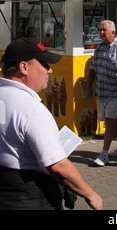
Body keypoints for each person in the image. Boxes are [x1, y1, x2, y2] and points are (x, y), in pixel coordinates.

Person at [0, 37, 103, 210]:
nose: (50, 70)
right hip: (32, 195)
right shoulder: (31, 109)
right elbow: (58, 166)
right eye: (44, 64)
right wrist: (90, 194)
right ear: (24, 67)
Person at [87, 20, 117, 167]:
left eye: (104, 30)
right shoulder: (99, 48)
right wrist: (89, 85)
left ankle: (104, 153)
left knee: (110, 120)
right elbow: (93, 68)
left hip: (116, 91)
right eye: (100, 30)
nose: (101, 33)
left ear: (112, 32)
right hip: (102, 91)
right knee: (112, 120)